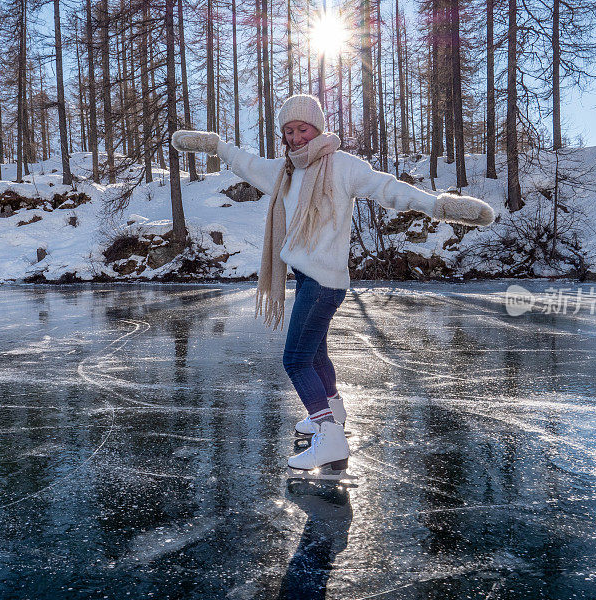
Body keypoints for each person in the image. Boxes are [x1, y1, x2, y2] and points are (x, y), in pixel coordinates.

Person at [171, 94, 495, 480]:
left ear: (318, 128)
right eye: (288, 131)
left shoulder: (342, 166)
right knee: (316, 354)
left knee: (295, 360)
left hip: (325, 282)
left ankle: (329, 435)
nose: (295, 138)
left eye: (302, 129)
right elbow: (246, 163)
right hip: (308, 278)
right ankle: (334, 409)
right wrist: (216, 145)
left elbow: (389, 189)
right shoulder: (284, 171)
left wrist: (439, 206)